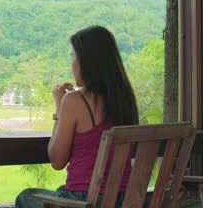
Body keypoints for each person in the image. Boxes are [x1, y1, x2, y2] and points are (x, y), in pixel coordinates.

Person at [15, 25, 139, 208]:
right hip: (125, 200)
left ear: (87, 62)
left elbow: (57, 161)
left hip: (85, 201)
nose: (72, 63)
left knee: (26, 197)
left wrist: (60, 108)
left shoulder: (74, 100)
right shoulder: (126, 100)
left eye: (73, 56)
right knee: (59, 190)